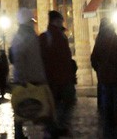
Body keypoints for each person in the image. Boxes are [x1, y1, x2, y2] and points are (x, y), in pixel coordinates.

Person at [9, 8, 47, 139]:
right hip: (28, 80)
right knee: (25, 109)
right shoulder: (23, 37)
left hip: (33, 78)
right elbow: (19, 60)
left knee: (34, 108)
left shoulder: (27, 35)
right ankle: (20, 134)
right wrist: (22, 80)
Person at [40, 10, 77, 138]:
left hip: (51, 79)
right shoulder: (59, 37)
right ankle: (58, 126)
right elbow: (65, 58)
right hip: (61, 78)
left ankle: (53, 127)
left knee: (53, 105)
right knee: (66, 103)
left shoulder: (45, 37)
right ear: (57, 21)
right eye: (61, 20)